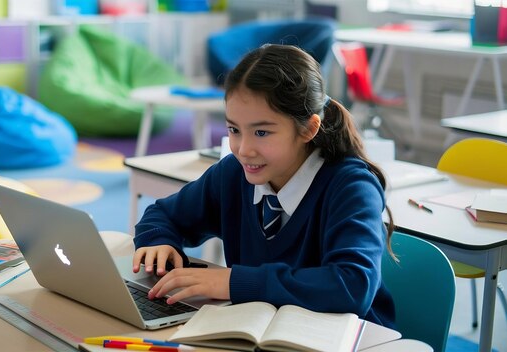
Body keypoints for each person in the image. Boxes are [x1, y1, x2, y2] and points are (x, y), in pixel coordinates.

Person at [132, 44, 396, 328]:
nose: (243, 149)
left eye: (261, 132)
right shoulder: (233, 174)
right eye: (234, 130)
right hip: (259, 331)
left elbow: (352, 286)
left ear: (309, 128)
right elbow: (163, 215)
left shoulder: (351, 187)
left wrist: (235, 282)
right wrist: (158, 240)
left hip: (348, 339)